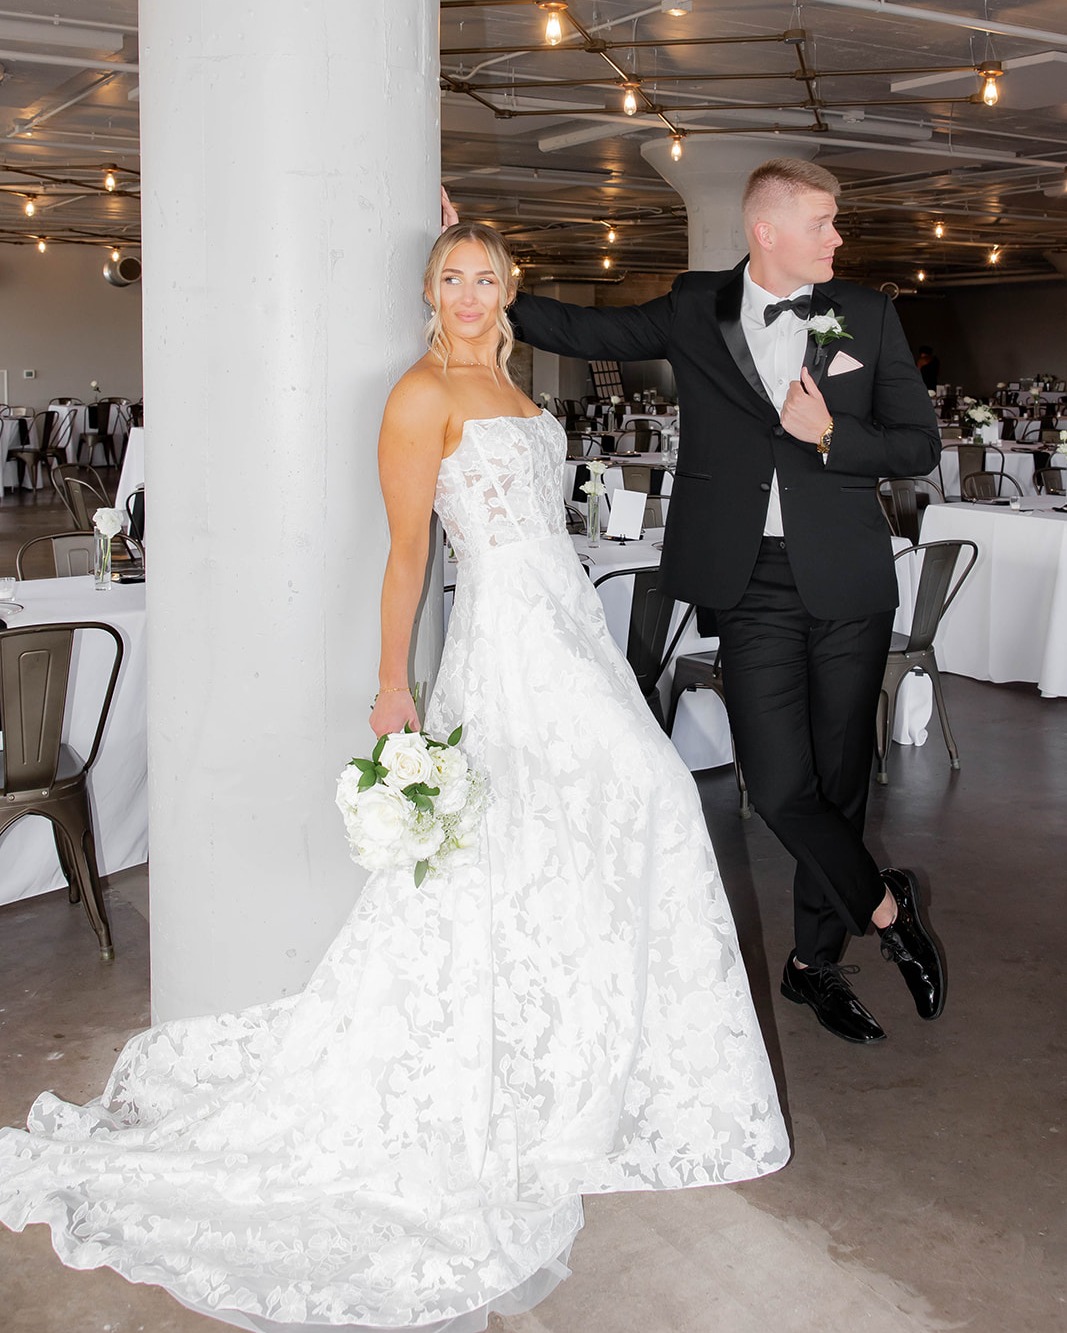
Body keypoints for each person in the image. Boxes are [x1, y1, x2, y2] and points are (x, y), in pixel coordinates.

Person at [0, 221, 789, 1332]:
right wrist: (391, 684)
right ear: (427, 292)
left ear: (508, 288)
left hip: (571, 637)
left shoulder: (513, 389)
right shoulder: (419, 394)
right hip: (508, 650)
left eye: (484, 279)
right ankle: (543, 1067)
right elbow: (409, 551)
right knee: (616, 813)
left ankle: (588, 1061)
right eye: (450, 280)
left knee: (602, 826)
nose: (468, 296)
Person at [507, 158, 945, 1045]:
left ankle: (811, 963)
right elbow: (582, 329)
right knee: (780, 785)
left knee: (837, 781)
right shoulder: (693, 305)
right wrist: (483, 272)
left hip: (846, 579)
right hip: (748, 584)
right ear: (766, 230)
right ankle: (887, 910)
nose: (837, 236)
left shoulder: (866, 312)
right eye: (823, 222)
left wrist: (831, 437)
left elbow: (917, 443)